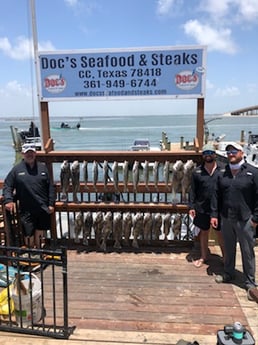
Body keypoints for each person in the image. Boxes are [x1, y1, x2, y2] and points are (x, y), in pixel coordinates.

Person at [211, 142, 258, 301]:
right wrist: (214, 215)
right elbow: (216, 196)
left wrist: (255, 219)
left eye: (234, 151)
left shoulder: (253, 172)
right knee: (228, 248)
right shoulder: (222, 173)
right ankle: (229, 273)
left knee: (247, 251)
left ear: (242, 153)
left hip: (245, 219)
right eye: (228, 151)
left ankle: (250, 282)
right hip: (226, 217)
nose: (230, 154)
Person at [3, 143, 55, 248]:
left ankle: (39, 252)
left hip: (42, 207)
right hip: (26, 209)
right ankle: (31, 253)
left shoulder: (43, 168)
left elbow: (50, 187)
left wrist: (51, 204)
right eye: (27, 153)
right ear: (23, 154)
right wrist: (8, 200)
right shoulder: (16, 170)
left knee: (40, 232)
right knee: (28, 234)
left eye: (31, 152)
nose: (29, 155)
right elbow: (7, 186)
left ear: (35, 153)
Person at [189, 143, 224, 267]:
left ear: (215, 154)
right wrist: (192, 206)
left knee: (220, 233)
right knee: (204, 232)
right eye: (205, 153)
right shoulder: (197, 171)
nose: (208, 155)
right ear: (202, 156)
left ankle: (226, 259)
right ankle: (204, 256)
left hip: (220, 208)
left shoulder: (224, 169)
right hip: (202, 207)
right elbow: (192, 190)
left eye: (210, 153)